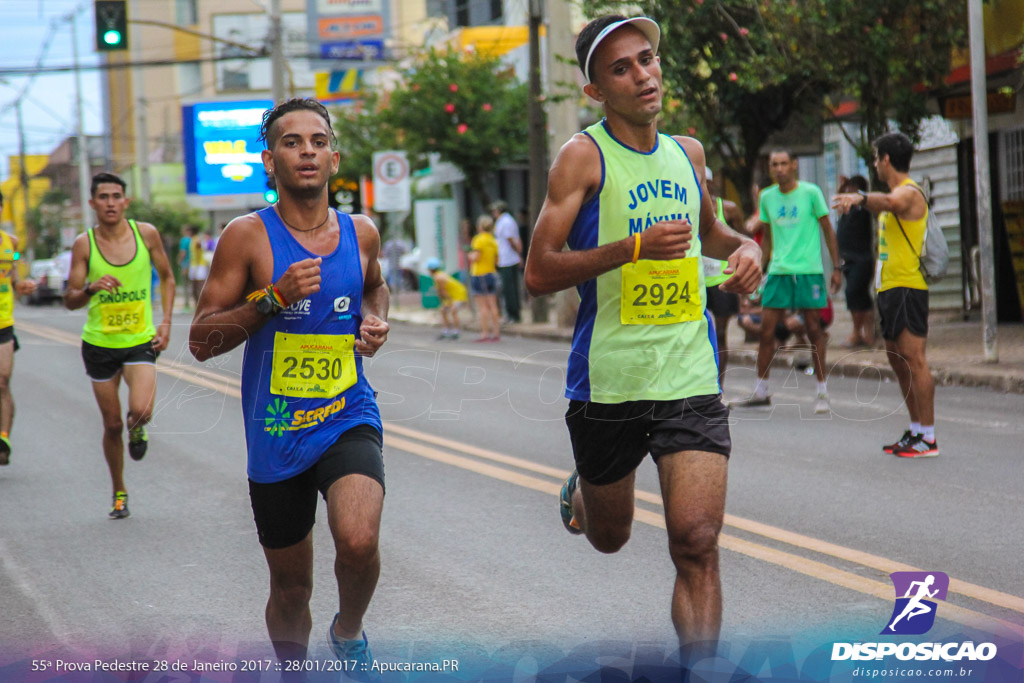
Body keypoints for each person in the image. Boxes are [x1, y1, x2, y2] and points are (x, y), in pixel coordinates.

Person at [523, 15, 761, 657]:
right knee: (611, 536)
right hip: (610, 379)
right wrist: (631, 248)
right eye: (621, 68)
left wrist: (745, 250)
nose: (642, 75)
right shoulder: (583, 156)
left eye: (647, 59)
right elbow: (539, 271)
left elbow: (711, 232)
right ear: (596, 90)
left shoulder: (689, 153)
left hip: (688, 372)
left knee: (696, 541)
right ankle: (585, 490)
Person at [188, 98, 390, 669]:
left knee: (358, 539)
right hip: (276, 430)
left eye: (318, 141)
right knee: (290, 587)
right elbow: (201, 341)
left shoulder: (362, 231)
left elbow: (375, 285)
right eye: (292, 142)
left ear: (334, 157)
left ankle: (348, 630)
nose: (307, 151)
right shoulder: (246, 237)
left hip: (347, 413)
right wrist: (273, 299)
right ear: (269, 160)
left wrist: (375, 319)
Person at [64, 172, 176, 518]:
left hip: (139, 340)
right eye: (104, 197)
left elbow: (169, 277)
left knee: (140, 410)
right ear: (93, 203)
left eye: (116, 196)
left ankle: (138, 429)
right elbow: (70, 299)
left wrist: (166, 321)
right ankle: (119, 492)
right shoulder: (85, 244)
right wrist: (90, 288)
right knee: (112, 424)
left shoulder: (146, 235)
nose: (110, 202)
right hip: (99, 344)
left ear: (125, 201)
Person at [832, 132, 938, 457]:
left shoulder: (909, 193)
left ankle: (929, 438)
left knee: (914, 359)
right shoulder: (894, 193)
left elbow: (891, 203)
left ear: (887, 159)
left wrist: (860, 198)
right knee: (895, 357)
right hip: (889, 289)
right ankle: (916, 429)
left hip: (908, 288)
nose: (875, 163)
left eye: (877, 157)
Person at [731, 149, 841, 414]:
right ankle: (761, 390)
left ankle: (822, 391)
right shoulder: (767, 197)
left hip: (808, 270)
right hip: (779, 271)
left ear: (794, 165)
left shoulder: (811, 192)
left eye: (783, 164)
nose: (779, 169)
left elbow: (827, 229)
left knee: (814, 329)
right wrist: (758, 268)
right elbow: (767, 238)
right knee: (767, 331)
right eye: (774, 165)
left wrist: (837, 267)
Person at [0, 189, 38, 465]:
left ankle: (3, 439)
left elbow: (12, 276)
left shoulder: (10, 243)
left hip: (4, 323)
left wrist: (20, 285)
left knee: (2, 381)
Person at [702, 167, 747, 387]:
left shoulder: (727, 209)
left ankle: (719, 388)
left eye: (707, 182)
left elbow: (741, 238)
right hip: (697, 281)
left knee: (720, 334)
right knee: (697, 336)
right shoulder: (687, 207)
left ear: (711, 184)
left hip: (721, 280)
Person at [835, 175, 876, 347]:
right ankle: (861, 333)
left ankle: (862, 332)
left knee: (854, 293)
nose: (847, 193)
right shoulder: (847, 210)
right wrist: (842, 187)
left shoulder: (862, 208)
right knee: (856, 297)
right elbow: (838, 201)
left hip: (862, 258)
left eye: (850, 189)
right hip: (848, 259)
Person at [469, 214, 501, 342]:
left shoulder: (478, 239)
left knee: (482, 307)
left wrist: (470, 256)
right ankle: (496, 332)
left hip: (479, 274)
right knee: (493, 305)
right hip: (491, 273)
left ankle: (485, 333)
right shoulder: (493, 241)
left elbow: (476, 257)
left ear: (480, 226)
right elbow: (497, 260)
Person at [491, 200, 523, 323]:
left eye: (495, 210)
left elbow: (510, 239)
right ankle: (512, 313)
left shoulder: (505, 221)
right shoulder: (506, 221)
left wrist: (517, 252)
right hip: (508, 258)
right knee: (510, 288)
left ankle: (513, 314)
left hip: (508, 259)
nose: (494, 213)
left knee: (509, 289)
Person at [427, 257, 467, 340]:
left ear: (431, 269)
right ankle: (446, 330)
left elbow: (443, 291)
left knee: (453, 311)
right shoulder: (439, 275)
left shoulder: (438, 277)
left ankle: (456, 331)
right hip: (453, 295)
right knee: (443, 310)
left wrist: (449, 302)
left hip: (458, 295)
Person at [178, 225, 195, 310]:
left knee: (185, 284)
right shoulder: (193, 240)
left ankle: (187, 304)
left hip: (186, 264)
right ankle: (194, 303)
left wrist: (179, 261)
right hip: (193, 265)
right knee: (193, 285)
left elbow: (183, 252)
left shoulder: (184, 240)